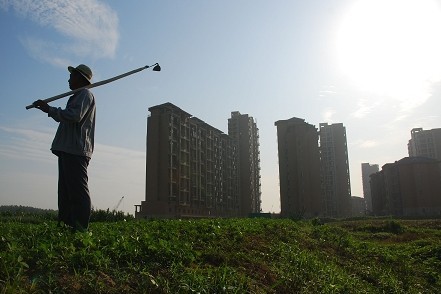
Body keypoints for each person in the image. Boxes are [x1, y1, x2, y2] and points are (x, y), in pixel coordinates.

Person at [33, 64, 96, 232]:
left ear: (80, 78)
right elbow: (68, 116)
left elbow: (74, 116)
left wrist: (49, 109)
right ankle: (66, 225)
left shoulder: (84, 94)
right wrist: (48, 110)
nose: (69, 79)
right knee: (65, 192)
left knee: (77, 191)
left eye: (72, 76)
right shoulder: (77, 96)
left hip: (76, 149)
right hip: (68, 149)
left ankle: (80, 228)